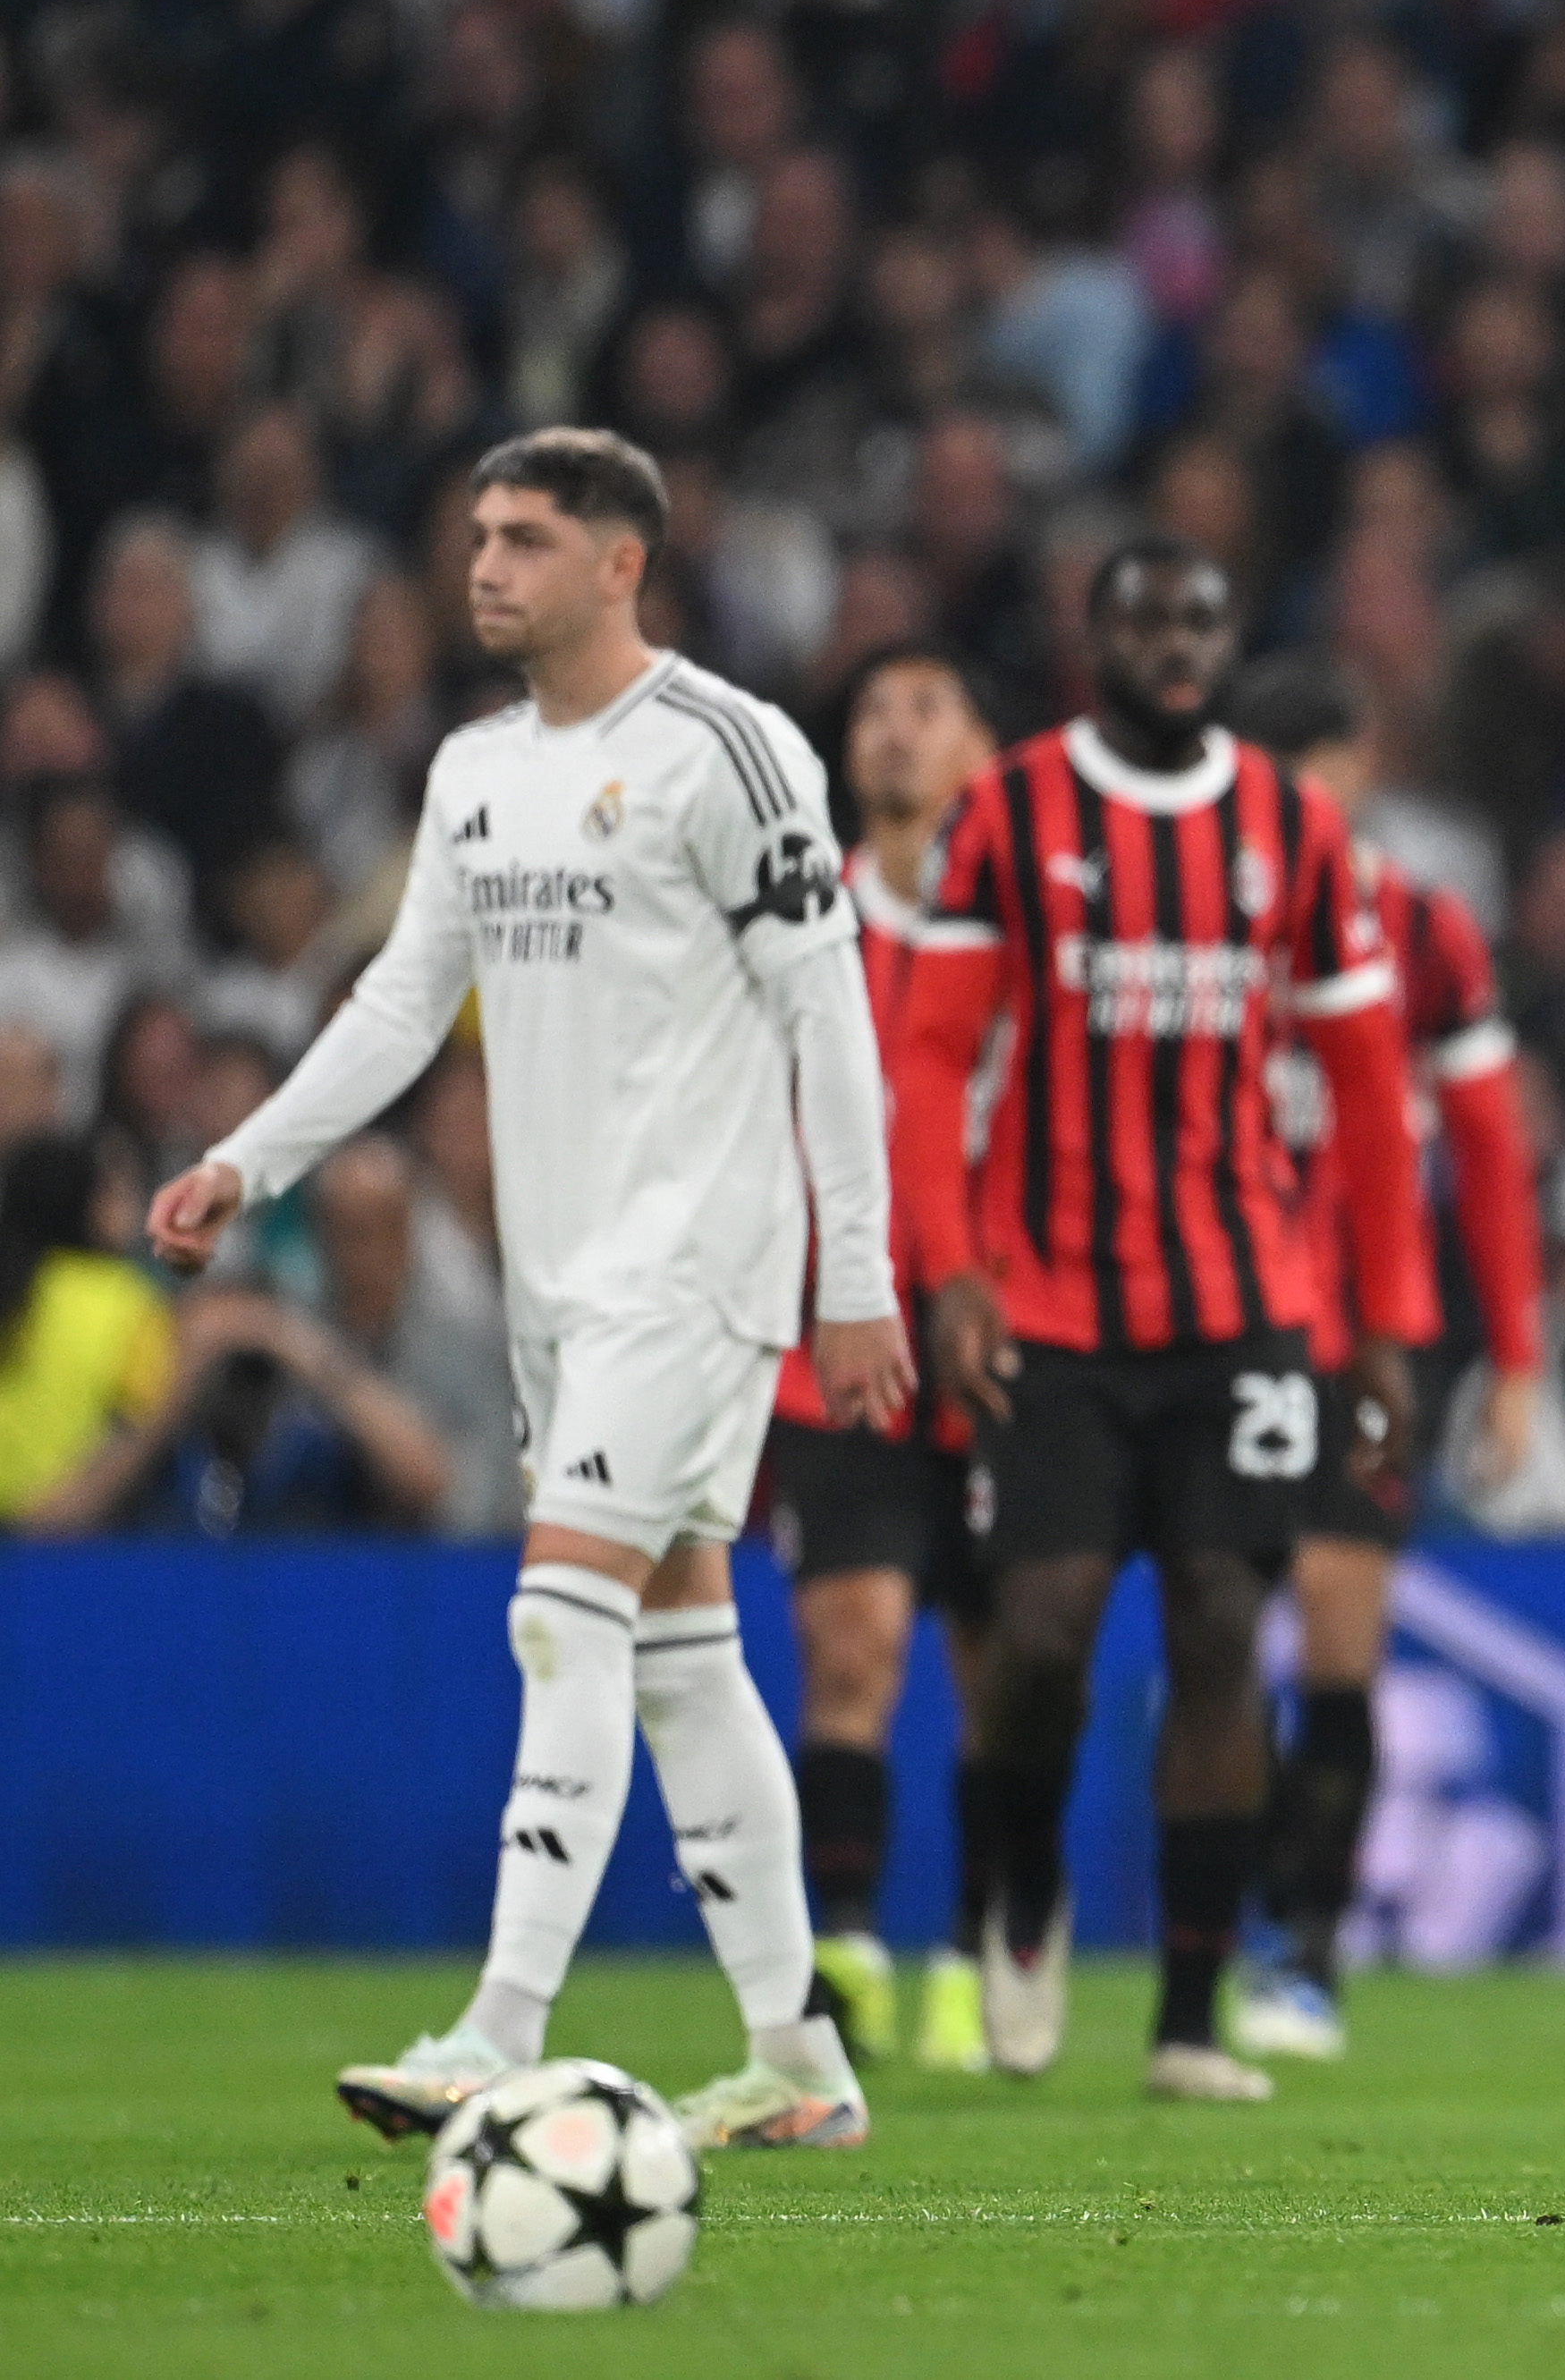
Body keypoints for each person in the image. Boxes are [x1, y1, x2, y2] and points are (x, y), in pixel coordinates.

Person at [144, 428, 911, 2151]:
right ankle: (800, 2063)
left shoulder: (733, 749)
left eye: (526, 540)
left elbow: (827, 1016)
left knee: (554, 1610)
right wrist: (246, 1159)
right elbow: (405, 1005)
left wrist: (855, 1277)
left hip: (698, 1266)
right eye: (477, 536)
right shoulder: (478, 768)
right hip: (558, 1285)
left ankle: (496, 2030)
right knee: (682, 1661)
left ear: (622, 563)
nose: (484, 567)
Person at [888, 538, 1439, 2105]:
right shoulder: (1008, 817)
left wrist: (1385, 1320)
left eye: (1203, 616)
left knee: (1217, 1629)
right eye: (1147, 618)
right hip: (1051, 1306)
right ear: (1095, 638)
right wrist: (949, 1269)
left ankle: (1190, 2015)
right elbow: (932, 1061)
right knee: (1043, 1634)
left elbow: (1365, 1081)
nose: (1178, 643)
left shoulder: (1288, 830)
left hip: (1246, 1309)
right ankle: (1023, 1893)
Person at [1227, 655, 1547, 2064]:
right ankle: (1217, 1930)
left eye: (1322, 769)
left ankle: (1303, 1947)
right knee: (1213, 1633)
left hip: (1360, 1336)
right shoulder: (1197, 934)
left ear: (1362, 770)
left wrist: (1517, 1355)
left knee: (1340, 1637)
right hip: (1211, 1324)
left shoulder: (1423, 933)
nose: (1303, 798)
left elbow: (1485, 1159)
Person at [767, 644, 1003, 2078]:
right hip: (839, 1347)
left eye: (929, 704)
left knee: (1004, 1673)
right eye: (873, 711)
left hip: (996, 1344)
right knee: (848, 1648)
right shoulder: (799, 924)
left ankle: (977, 1951)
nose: (896, 732)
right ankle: (847, 1940)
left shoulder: (1034, 931)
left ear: (983, 746)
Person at [0, 1133, 173, 1529]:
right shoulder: (127, 1301)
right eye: (116, 1193)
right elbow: (149, 1420)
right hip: (67, 1534)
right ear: (89, 1205)